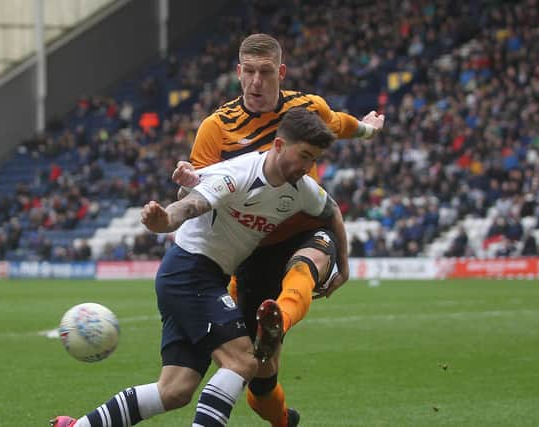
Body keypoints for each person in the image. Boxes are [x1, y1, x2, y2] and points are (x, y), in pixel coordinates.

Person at [51, 108, 341, 427]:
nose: (306, 167)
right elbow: (191, 204)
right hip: (190, 272)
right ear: (278, 145)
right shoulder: (240, 174)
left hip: (198, 277)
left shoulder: (302, 190)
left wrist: (344, 266)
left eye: (312, 159)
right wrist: (165, 220)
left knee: (174, 390)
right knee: (243, 360)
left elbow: (333, 211)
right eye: (303, 155)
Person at [172, 33, 385, 427]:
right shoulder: (216, 128)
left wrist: (369, 130)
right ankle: (284, 420)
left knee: (306, 263)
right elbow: (203, 193)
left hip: (306, 228)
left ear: (280, 72)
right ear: (238, 72)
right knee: (260, 387)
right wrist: (187, 184)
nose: (256, 82)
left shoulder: (307, 109)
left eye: (265, 73)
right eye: (248, 72)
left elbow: (340, 123)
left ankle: (277, 322)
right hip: (251, 251)